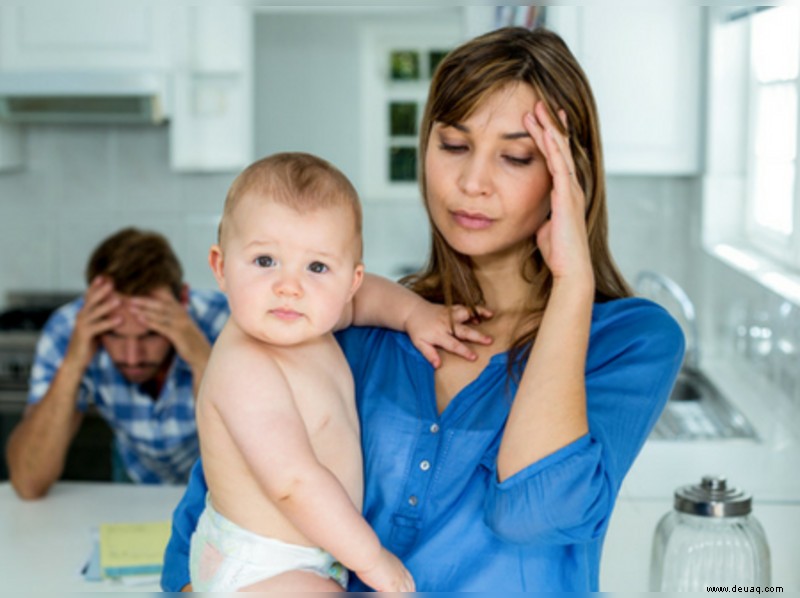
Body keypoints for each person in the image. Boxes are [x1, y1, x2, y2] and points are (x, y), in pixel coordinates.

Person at [162, 26, 685, 592]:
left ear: (567, 177)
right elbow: (212, 518)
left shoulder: (631, 341)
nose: (471, 182)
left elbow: (538, 514)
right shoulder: (347, 321)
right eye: (454, 146)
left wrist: (572, 282)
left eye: (515, 156)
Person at [190, 151, 491, 592]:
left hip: (309, 554)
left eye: (317, 267)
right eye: (264, 261)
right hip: (264, 564)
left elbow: (364, 300)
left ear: (349, 280)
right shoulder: (245, 365)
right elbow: (293, 482)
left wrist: (414, 315)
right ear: (220, 266)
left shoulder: (315, 318)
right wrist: (370, 559)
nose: (289, 286)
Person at [6, 228, 230, 499]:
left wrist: (201, 356)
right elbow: (28, 482)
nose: (132, 357)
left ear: (182, 300)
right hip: (135, 476)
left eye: (150, 334)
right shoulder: (70, 330)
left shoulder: (228, 321)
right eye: (114, 335)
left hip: (223, 483)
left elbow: (252, 450)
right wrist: (73, 364)